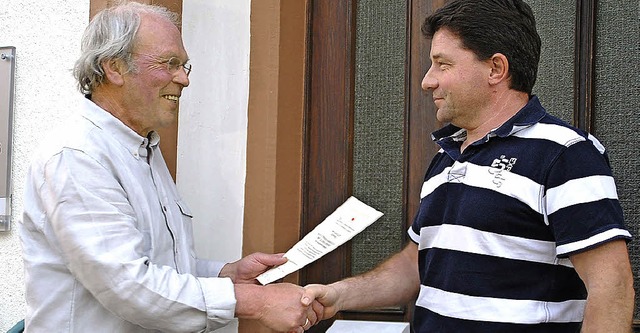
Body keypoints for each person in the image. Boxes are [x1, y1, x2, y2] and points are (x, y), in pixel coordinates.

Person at [304, 0, 635, 331]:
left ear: (495, 69)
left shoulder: (564, 153)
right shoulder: (446, 158)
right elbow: (415, 265)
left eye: (442, 64)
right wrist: (339, 295)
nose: (427, 81)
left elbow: (612, 290)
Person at [19, 2, 319, 332]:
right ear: (114, 68)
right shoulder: (78, 155)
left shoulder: (141, 147)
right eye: (170, 63)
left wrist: (226, 274)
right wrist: (256, 303)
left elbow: (160, 265)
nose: (183, 79)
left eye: (184, 66)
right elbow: (128, 285)